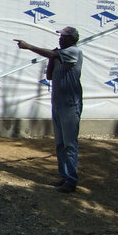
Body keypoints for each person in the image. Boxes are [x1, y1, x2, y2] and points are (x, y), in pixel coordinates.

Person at [15, 27, 83, 193]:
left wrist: (29, 46)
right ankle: (64, 176)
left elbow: (53, 55)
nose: (60, 39)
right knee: (60, 144)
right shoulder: (60, 55)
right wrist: (53, 58)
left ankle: (71, 180)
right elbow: (50, 76)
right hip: (58, 104)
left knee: (70, 144)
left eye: (63, 37)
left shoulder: (74, 52)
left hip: (69, 105)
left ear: (71, 39)